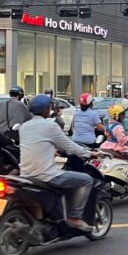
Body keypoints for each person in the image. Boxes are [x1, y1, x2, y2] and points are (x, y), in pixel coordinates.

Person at [17, 94, 101, 231]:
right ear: (45, 110)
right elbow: (68, 146)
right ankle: (75, 217)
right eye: (49, 107)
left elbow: (37, 144)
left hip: (26, 175)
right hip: (47, 175)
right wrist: (89, 153)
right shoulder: (50, 125)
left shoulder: (24, 127)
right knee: (86, 180)